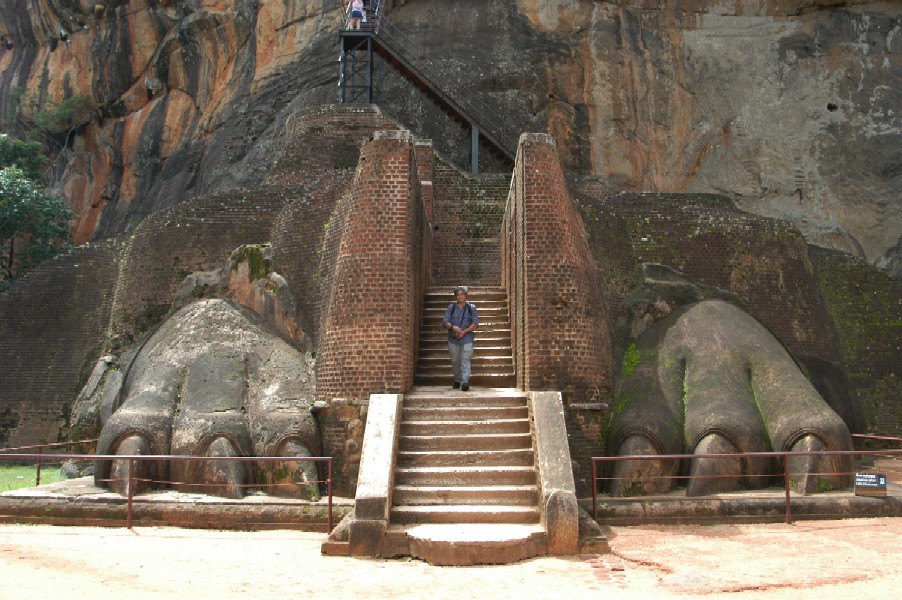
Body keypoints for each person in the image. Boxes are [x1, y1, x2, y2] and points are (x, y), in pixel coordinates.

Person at [443, 286, 479, 391]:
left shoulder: (471, 308)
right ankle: (457, 380)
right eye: (458, 294)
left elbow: (475, 324)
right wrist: (453, 327)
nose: (460, 296)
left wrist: (464, 332)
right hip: (453, 339)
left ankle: (465, 382)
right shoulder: (451, 307)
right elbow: (445, 322)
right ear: (456, 296)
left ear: (466, 296)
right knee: (455, 360)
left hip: (467, 338)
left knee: (465, 359)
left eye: (462, 294)